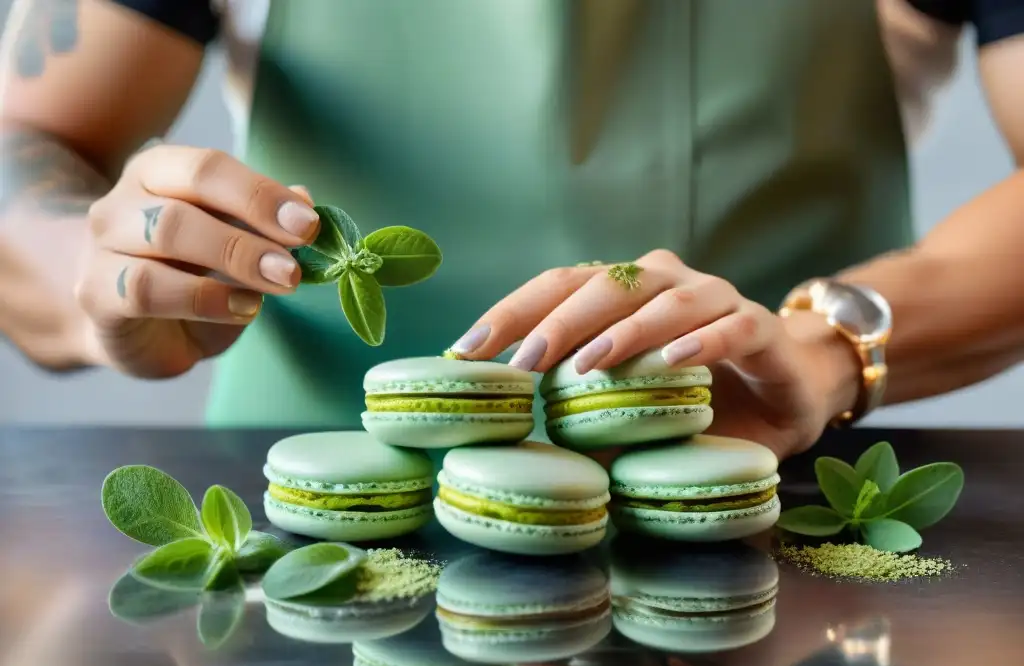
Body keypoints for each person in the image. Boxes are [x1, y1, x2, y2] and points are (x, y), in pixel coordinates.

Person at [0, 0, 1022, 458]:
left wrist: (827, 348)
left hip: (775, 524)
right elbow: (30, 136)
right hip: (305, 545)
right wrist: (104, 278)